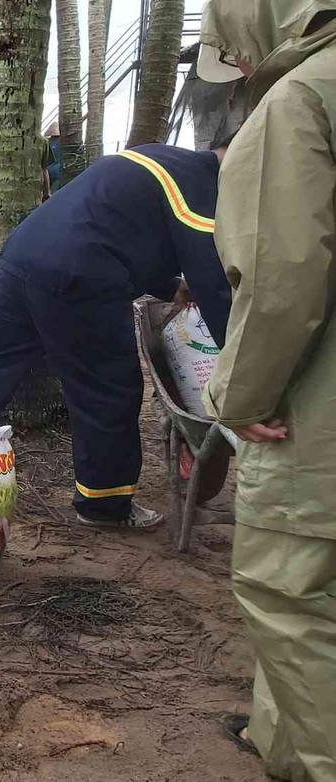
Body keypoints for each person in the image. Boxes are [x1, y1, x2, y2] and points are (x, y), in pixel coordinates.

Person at [0, 142, 233, 530]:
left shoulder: (155, 158)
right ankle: (104, 504)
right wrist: (240, 355)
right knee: (107, 385)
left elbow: (116, 227)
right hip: (78, 272)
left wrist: (169, 285)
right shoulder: (202, 185)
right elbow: (214, 283)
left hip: (25, 255)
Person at [198, 1, 336, 779]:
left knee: (291, 597)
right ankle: (274, 741)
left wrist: (238, 397)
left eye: (237, 56)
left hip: (316, 423)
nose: (241, 75)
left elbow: (280, 281)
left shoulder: (298, 100)